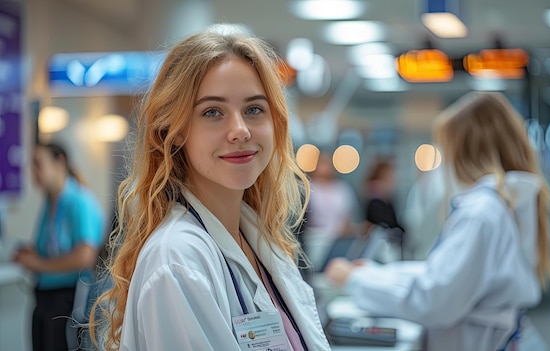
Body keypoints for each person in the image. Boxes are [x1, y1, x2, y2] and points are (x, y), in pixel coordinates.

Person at [89, 24, 331, 351]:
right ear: (173, 133)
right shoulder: (177, 261)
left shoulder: (255, 237)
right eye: (213, 112)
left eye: (254, 109)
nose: (240, 130)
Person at [324, 91, 550, 351]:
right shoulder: (506, 205)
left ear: (466, 152)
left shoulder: (479, 214)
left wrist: (356, 281)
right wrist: (374, 273)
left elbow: (433, 300)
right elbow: (441, 275)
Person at [13, 142, 105, 351]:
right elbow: (50, 249)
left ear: (59, 163)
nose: (33, 172)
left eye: (38, 164)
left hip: (68, 301)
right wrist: (31, 255)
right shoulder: (50, 203)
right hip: (44, 298)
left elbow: (85, 256)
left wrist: (38, 263)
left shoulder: (80, 201)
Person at [303, 152, 359, 270]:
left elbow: (348, 215)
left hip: (339, 239)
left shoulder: (342, 188)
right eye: (322, 163)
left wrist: (342, 231)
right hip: (314, 239)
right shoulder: (308, 187)